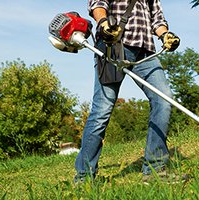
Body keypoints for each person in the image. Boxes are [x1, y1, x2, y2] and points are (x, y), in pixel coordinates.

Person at [74, 0, 183, 183]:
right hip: (114, 46)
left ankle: (154, 170)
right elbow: (97, 4)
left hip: (146, 52)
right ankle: (85, 176)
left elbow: (157, 18)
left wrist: (165, 35)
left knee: (164, 100)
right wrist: (103, 24)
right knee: (102, 111)